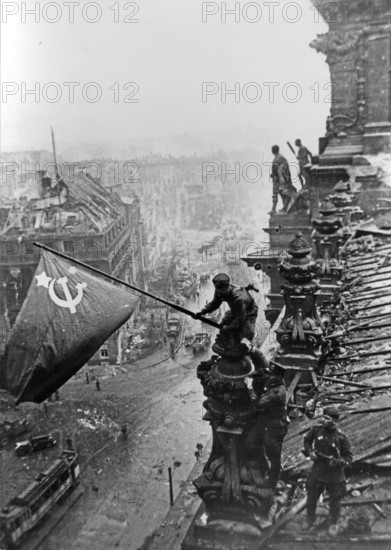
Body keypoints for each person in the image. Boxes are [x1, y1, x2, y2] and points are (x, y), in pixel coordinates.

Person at [303, 406, 352, 535]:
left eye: (327, 418)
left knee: (335, 500)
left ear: (334, 421)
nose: (324, 420)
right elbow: (307, 440)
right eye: (323, 417)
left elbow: (348, 457)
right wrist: (310, 452)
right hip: (318, 470)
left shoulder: (341, 438)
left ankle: (333, 523)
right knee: (311, 496)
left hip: (334, 474)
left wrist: (336, 463)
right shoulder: (316, 430)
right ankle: (310, 518)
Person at [246, 368, 288, 489]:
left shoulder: (277, 393)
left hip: (275, 425)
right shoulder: (276, 382)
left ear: (279, 377)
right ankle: (263, 464)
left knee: (274, 454)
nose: (270, 377)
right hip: (265, 420)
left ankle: (272, 481)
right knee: (250, 442)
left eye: (273, 375)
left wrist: (250, 389)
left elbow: (257, 403)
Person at [270, 145, 297, 214]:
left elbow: (283, 168)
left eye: (272, 149)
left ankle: (281, 207)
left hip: (281, 180)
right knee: (280, 193)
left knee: (281, 193)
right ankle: (284, 208)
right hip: (277, 179)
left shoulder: (280, 158)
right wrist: (273, 174)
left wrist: (279, 175)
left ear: (274, 150)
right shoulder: (278, 157)